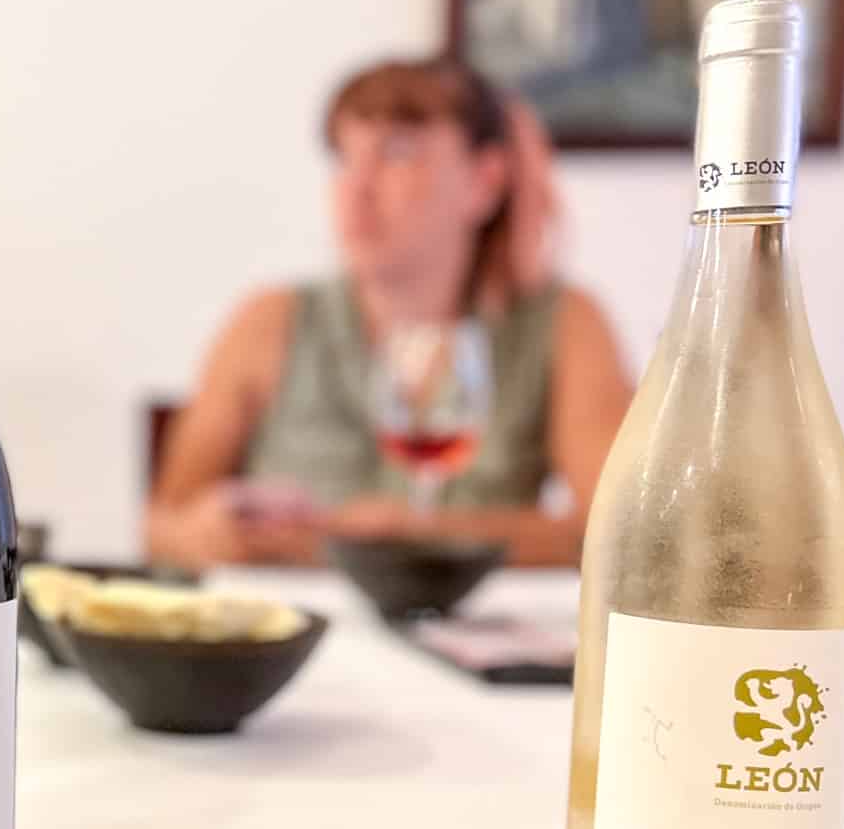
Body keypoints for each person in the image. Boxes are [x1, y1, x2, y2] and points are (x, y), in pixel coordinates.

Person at [146, 57, 632, 569]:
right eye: (344, 157)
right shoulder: (267, 320)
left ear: (484, 182)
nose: (357, 188)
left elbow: (621, 534)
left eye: (396, 153)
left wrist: (420, 535)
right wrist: (206, 533)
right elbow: (161, 525)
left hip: (464, 639)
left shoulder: (563, 323)